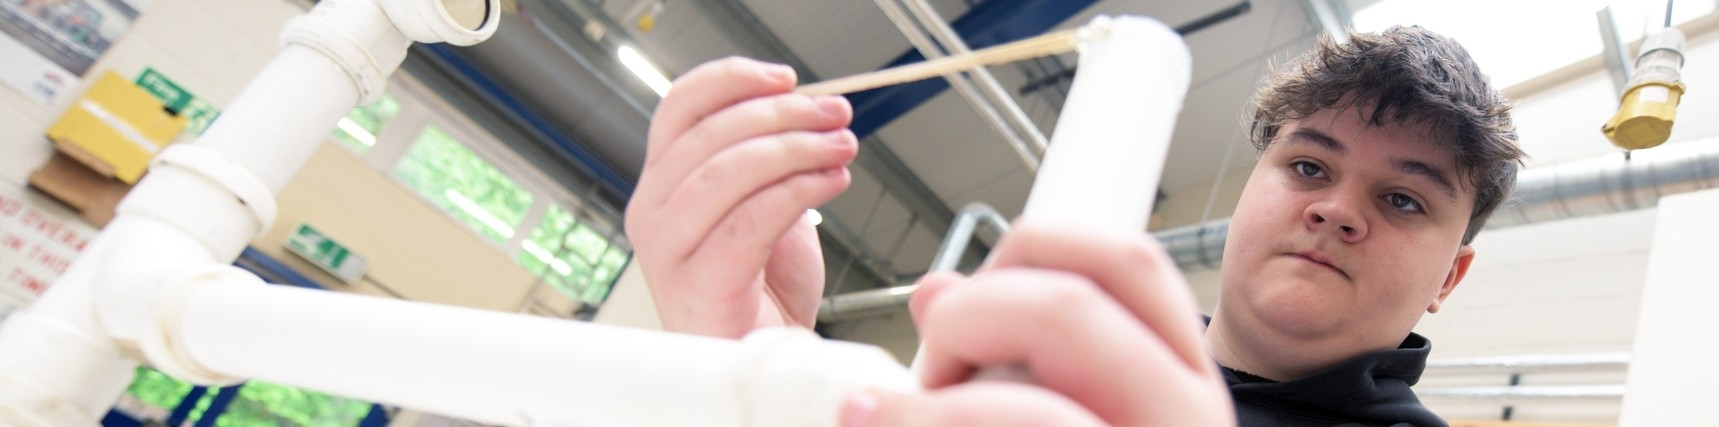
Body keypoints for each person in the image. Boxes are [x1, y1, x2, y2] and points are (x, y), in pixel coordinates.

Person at [627, 24, 1521, 426]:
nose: (1334, 208)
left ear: (1450, 276)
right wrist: (753, 365)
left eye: (1403, 198)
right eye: (1308, 166)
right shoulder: (1053, 368)